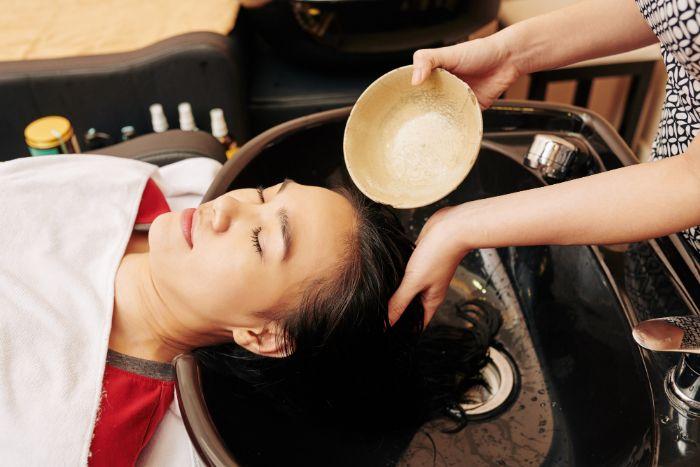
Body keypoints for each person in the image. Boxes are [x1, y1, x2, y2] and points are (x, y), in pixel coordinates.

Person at [0, 155, 496, 466]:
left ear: (264, 335)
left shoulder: (85, 433)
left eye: (261, 240)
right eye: (264, 194)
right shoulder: (158, 190)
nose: (228, 208)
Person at [389, 0, 700, 327]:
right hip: (664, 212)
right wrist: (508, 55)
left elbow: (693, 181)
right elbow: (663, 9)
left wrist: (457, 226)